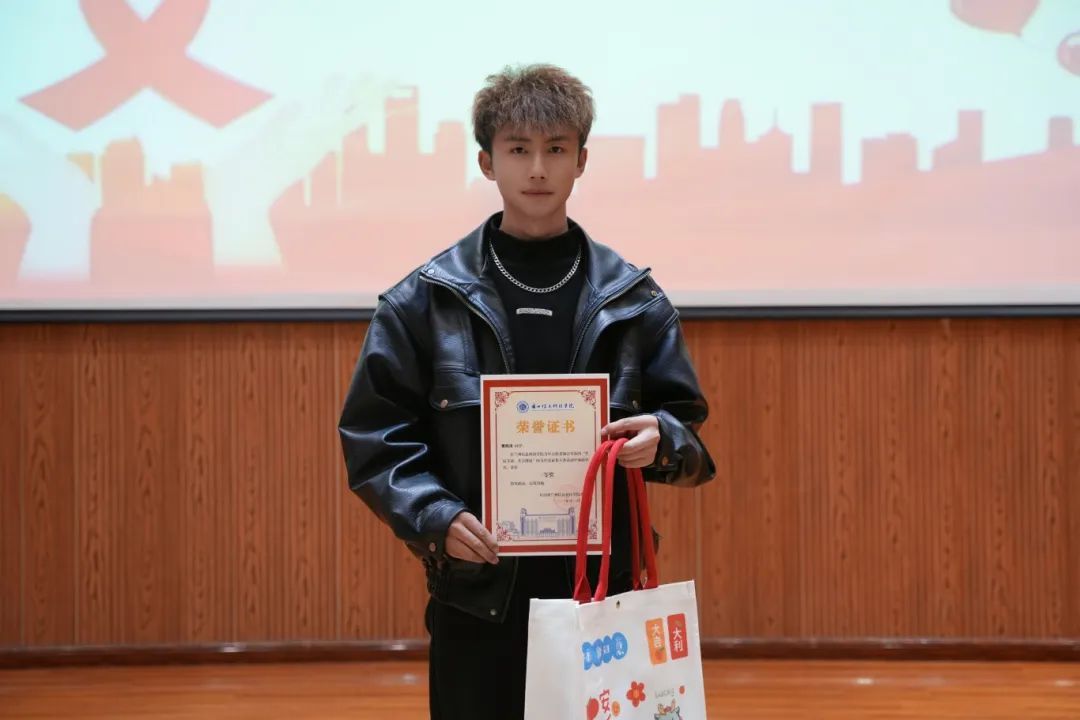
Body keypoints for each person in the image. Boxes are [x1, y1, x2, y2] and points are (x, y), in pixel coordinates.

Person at [338, 63, 715, 720]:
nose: (537, 169)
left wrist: (662, 439)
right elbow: (375, 437)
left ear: (581, 161)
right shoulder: (423, 301)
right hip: (477, 592)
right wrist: (434, 516)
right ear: (487, 162)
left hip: (601, 595)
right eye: (518, 150)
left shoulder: (634, 300)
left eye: (556, 149)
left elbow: (686, 434)